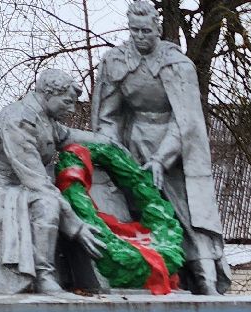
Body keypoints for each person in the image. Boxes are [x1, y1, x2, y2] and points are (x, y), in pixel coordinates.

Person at [94, 0, 230, 294]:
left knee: (186, 213)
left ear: (157, 29)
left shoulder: (177, 65)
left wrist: (160, 159)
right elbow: (109, 116)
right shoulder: (116, 62)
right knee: (140, 212)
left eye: (146, 30)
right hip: (133, 145)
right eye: (135, 30)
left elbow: (186, 120)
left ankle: (205, 278)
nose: (140, 36)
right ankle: (150, 275)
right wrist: (114, 152)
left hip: (176, 151)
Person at [0, 69, 112, 295]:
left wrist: (108, 142)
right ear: (49, 94)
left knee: (50, 197)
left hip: (22, 184)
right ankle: (43, 275)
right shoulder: (19, 119)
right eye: (67, 102)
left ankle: (58, 274)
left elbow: (69, 136)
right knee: (45, 202)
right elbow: (36, 180)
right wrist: (76, 227)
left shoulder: (46, 120)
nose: (71, 109)